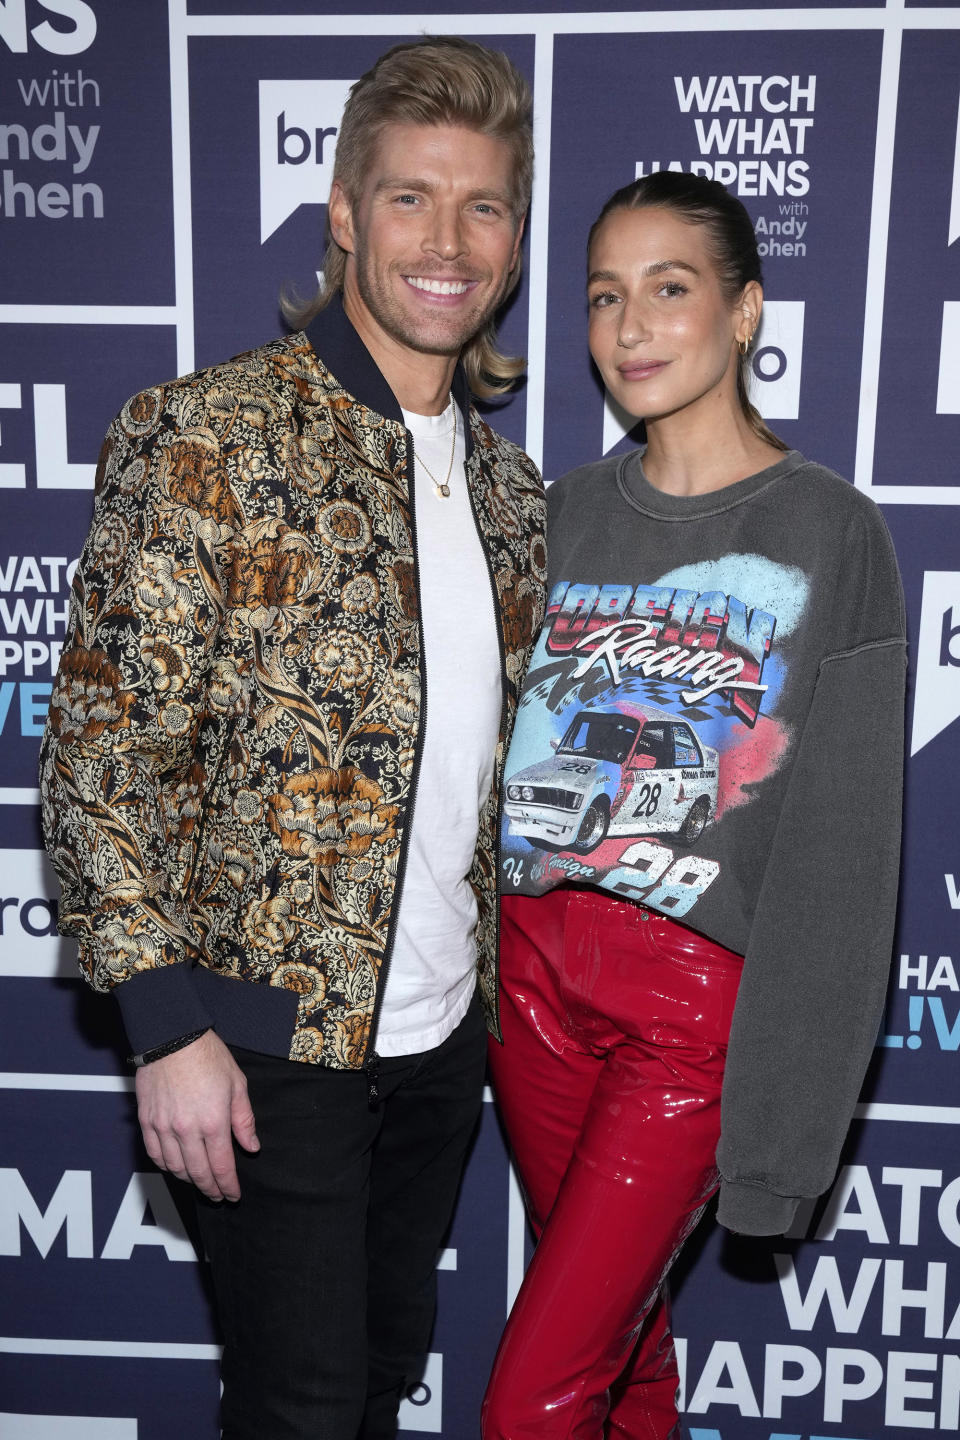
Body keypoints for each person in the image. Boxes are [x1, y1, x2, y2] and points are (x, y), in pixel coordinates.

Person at [39, 36, 545, 1440]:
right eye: (409, 198)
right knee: (305, 1407)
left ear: (514, 237)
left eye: (484, 205)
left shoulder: (517, 499)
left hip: (444, 1046)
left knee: (377, 1378)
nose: (447, 241)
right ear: (342, 213)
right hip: (266, 1052)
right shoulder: (203, 434)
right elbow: (98, 752)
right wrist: (163, 1026)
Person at [483, 170, 905, 1439]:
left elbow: (840, 860)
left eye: (671, 290)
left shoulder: (834, 533)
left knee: (532, 1401)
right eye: (606, 296)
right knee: (625, 1357)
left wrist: (784, 1143)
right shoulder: (549, 515)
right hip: (527, 985)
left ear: (745, 312)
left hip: (690, 1010)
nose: (631, 328)